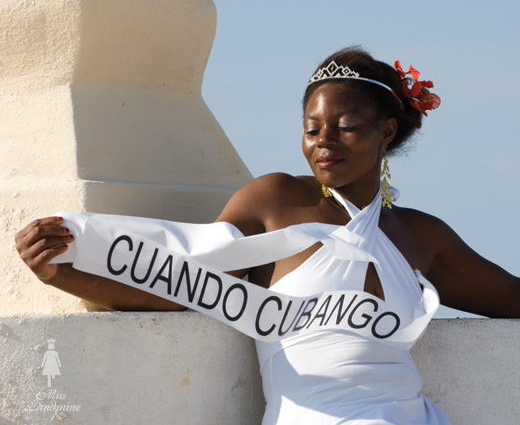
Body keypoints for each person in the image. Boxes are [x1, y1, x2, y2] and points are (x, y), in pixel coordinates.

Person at [15, 47, 520, 424]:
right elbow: (181, 283)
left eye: (344, 126)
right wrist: (65, 272)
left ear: (386, 132)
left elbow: (510, 298)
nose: (323, 141)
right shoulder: (275, 201)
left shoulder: (420, 235)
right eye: (311, 127)